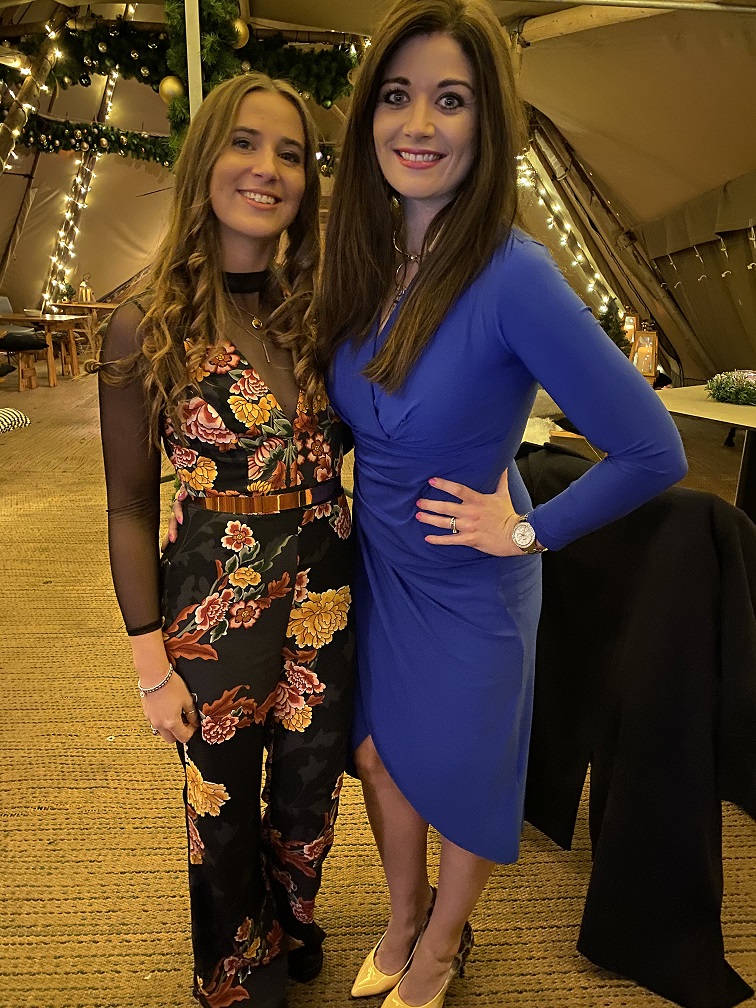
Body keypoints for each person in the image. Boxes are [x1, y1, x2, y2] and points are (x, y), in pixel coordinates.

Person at [314, 2, 688, 1007]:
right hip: (384, 566)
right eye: (398, 98)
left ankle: (441, 945)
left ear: (486, 124)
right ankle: (402, 918)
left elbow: (655, 448)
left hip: (474, 577)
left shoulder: (516, 273)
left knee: (468, 775)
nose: (419, 126)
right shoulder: (362, 248)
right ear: (368, 119)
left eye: (451, 100)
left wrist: (525, 528)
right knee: (379, 755)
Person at [95, 73, 353, 1008]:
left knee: (309, 787)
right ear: (206, 158)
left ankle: (290, 921)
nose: (267, 169)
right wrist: (148, 663)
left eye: (290, 153)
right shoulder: (144, 320)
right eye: (245, 143)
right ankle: (236, 967)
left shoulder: (319, 309)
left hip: (327, 588)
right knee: (222, 801)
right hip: (212, 605)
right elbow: (127, 506)